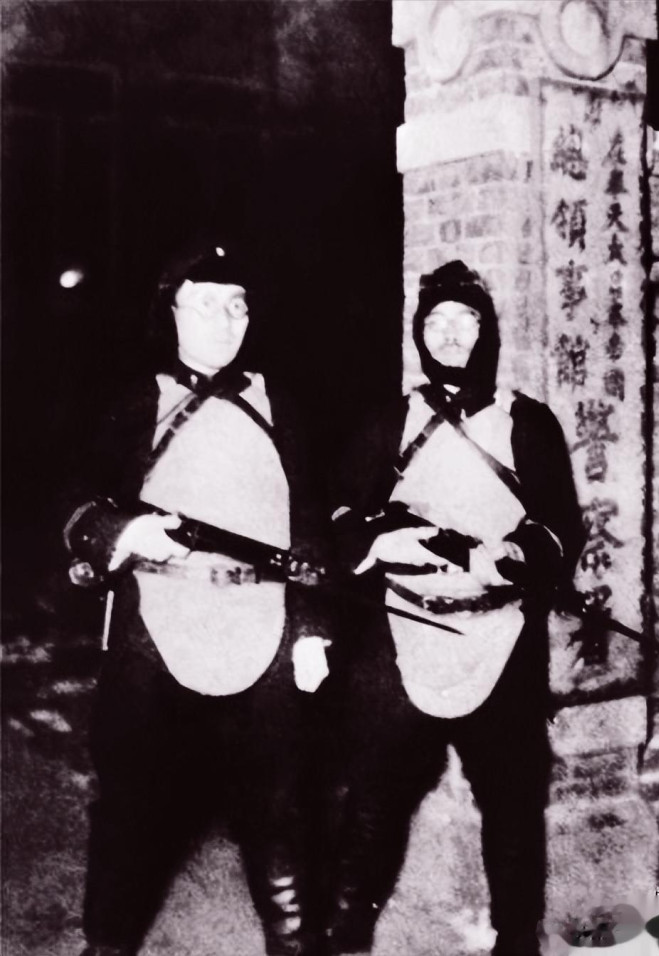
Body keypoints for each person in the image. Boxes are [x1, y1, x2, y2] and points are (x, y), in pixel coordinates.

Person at [64, 243, 333, 956]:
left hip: (264, 624)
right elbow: (77, 499)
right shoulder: (138, 400)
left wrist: (311, 627)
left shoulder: (280, 405)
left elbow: (309, 521)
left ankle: (294, 946)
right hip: (156, 626)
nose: (223, 320)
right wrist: (122, 530)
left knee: (280, 811)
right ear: (173, 313)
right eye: (205, 304)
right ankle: (107, 945)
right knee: (130, 808)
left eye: (236, 306)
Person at [325, 260, 585, 956]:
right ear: (419, 334)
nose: (447, 335)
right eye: (434, 322)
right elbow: (342, 514)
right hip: (404, 627)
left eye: (463, 321)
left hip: (500, 633)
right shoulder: (389, 420)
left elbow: (561, 523)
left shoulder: (526, 421)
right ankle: (346, 930)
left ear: (485, 332)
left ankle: (516, 936)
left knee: (512, 801)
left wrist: (515, 552)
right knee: (373, 793)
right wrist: (381, 541)